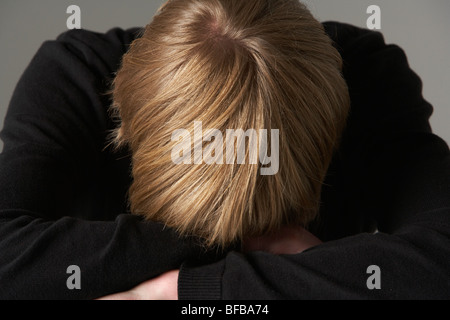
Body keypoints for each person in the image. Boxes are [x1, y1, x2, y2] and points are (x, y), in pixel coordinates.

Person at [0, 0, 449, 300]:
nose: (238, 248)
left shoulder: (368, 78)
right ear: (125, 128)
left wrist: (181, 292)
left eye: (267, 231)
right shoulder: (76, 74)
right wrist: (275, 256)